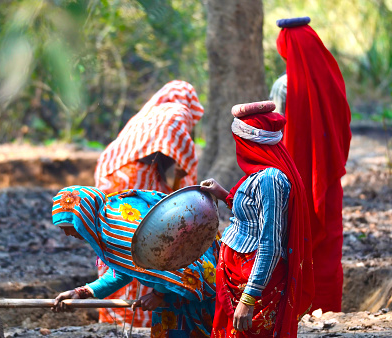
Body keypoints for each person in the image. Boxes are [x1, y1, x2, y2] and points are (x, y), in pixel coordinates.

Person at [94, 80, 205, 326]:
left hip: (112, 178)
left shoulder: (146, 115)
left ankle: (114, 315)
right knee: (148, 242)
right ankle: (139, 315)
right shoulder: (177, 113)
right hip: (136, 180)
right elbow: (183, 161)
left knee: (115, 240)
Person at [201, 101, 314, 337]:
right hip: (237, 275)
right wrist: (222, 194)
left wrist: (249, 298)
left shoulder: (270, 179)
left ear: (248, 142)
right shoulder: (261, 174)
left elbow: (270, 243)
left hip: (253, 283)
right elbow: (254, 216)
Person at [51, 186, 219, 337]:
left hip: (186, 289)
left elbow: (174, 254)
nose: (67, 234)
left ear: (82, 218)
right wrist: (82, 292)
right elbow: (122, 272)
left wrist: (157, 294)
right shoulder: (108, 224)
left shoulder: (116, 228)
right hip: (173, 291)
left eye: (68, 227)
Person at [269, 17, 352, 312]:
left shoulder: (283, 85)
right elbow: (343, 120)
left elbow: (274, 131)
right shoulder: (332, 77)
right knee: (328, 238)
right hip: (326, 174)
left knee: (295, 236)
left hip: (294, 172)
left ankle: (297, 306)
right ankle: (328, 305)